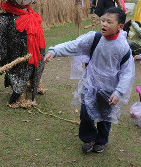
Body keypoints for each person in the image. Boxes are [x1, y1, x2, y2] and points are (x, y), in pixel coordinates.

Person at [44, 8, 135, 154]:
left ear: (120, 26)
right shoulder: (95, 38)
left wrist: (118, 92)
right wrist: (54, 51)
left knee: (105, 115)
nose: (104, 24)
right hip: (91, 83)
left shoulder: (123, 47)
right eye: (103, 20)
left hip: (110, 88)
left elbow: (127, 73)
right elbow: (74, 45)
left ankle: (102, 140)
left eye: (109, 22)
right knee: (86, 112)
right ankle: (89, 138)